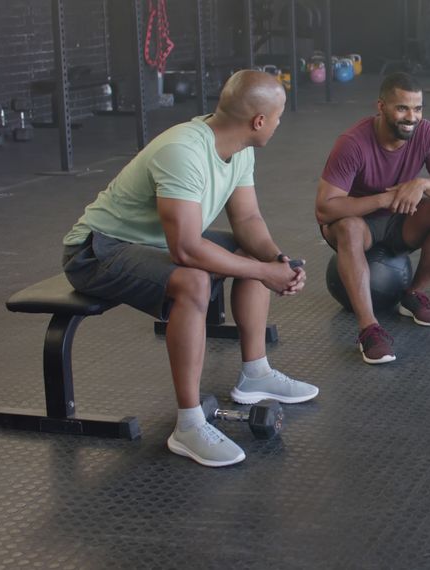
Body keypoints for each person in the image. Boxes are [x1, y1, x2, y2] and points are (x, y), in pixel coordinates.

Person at [61, 70, 319, 468]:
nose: (281, 122)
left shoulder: (240, 148)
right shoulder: (183, 151)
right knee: (194, 281)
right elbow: (185, 248)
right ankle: (188, 423)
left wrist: (277, 260)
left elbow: (247, 220)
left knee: (258, 260)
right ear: (259, 121)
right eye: (280, 115)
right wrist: (265, 274)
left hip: (154, 243)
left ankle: (255, 372)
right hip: (97, 251)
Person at [316, 72, 430, 365]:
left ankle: (413, 294)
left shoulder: (426, 133)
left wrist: (423, 184)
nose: (411, 117)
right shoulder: (352, 143)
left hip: (401, 221)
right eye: (402, 108)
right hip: (359, 225)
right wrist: (382, 200)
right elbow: (325, 209)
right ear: (381, 106)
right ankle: (369, 329)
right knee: (348, 228)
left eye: (418, 108)